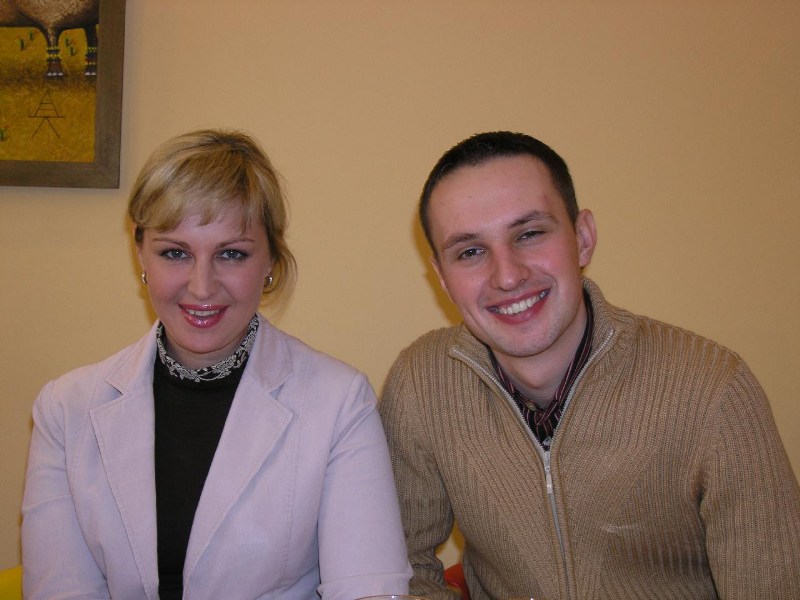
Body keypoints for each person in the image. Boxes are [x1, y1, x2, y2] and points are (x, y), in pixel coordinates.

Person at [379, 131, 800, 600]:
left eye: (529, 234)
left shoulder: (712, 388)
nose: (508, 276)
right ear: (442, 277)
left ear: (583, 239)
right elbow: (395, 570)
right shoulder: (421, 384)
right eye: (470, 252)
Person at [22, 129, 412, 599]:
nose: (202, 286)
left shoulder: (340, 402)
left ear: (270, 260)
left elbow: (367, 589)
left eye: (231, 254)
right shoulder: (65, 410)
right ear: (140, 253)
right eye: (175, 253)